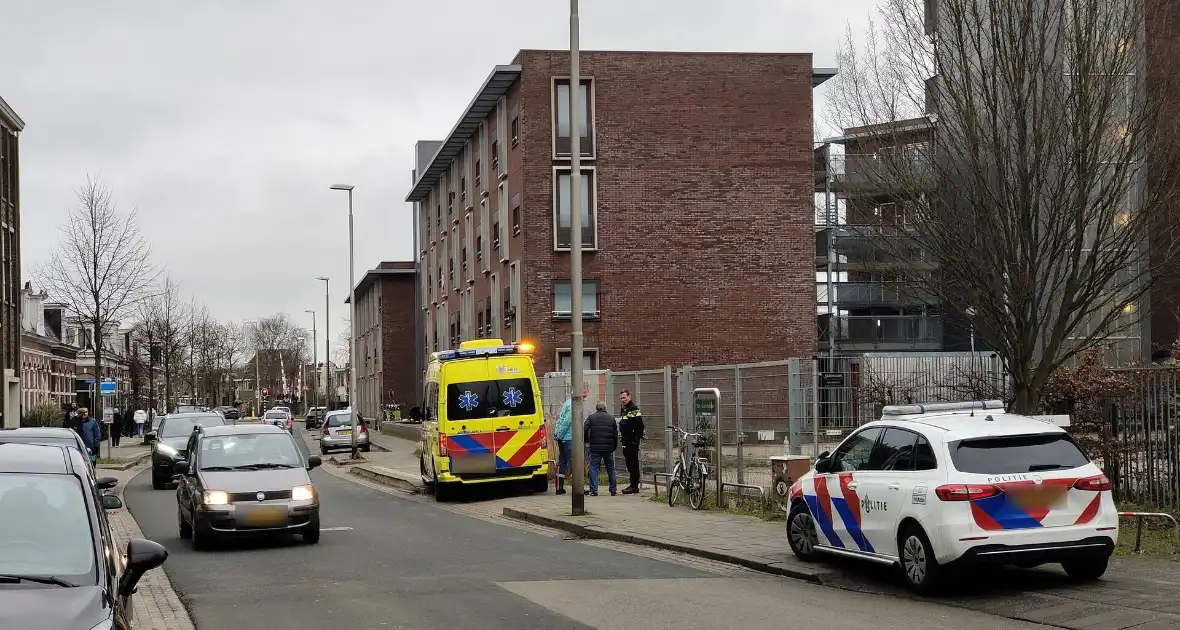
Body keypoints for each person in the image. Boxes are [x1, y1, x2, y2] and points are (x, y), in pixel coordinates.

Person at [584, 401, 618, 497]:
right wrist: (614, 446)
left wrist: (587, 440)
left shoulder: (591, 418)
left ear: (596, 408)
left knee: (593, 468)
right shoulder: (611, 419)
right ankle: (613, 490)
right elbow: (615, 434)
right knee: (610, 468)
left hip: (595, 447)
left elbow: (585, 428)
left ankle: (594, 490)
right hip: (608, 448)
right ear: (605, 408)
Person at [618, 389, 645, 494]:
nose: (623, 400)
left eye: (624, 397)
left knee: (633, 463)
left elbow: (639, 424)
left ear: (629, 397)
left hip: (632, 440)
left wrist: (636, 438)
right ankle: (632, 484)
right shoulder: (625, 409)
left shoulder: (633, 408)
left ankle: (634, 486)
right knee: (629, 463)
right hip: (626, 439)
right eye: (621, 398)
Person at [553, 397, 573, 495]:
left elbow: (560, 420)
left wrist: (557, 435)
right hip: (568, 437)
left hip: (563, 438)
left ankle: (559, 487)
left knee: (562, 462)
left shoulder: (567, 404)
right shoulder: (573, 405)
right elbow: (566, 422)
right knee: (573, 462)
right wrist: (560, 435)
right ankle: (578, 488)